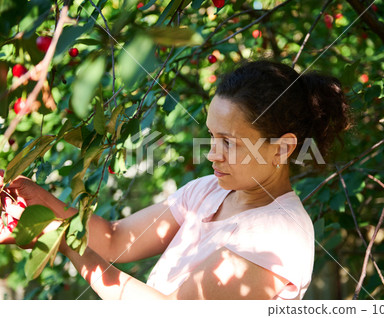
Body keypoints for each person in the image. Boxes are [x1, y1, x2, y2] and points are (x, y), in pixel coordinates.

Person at [0, 60, 351, 300]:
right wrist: (37, 200)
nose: (212, 153)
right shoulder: (209, 191)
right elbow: (115, 238)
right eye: (212, 136)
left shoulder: (279, 234)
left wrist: (62, 241)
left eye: (229, 142)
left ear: (282, 149)